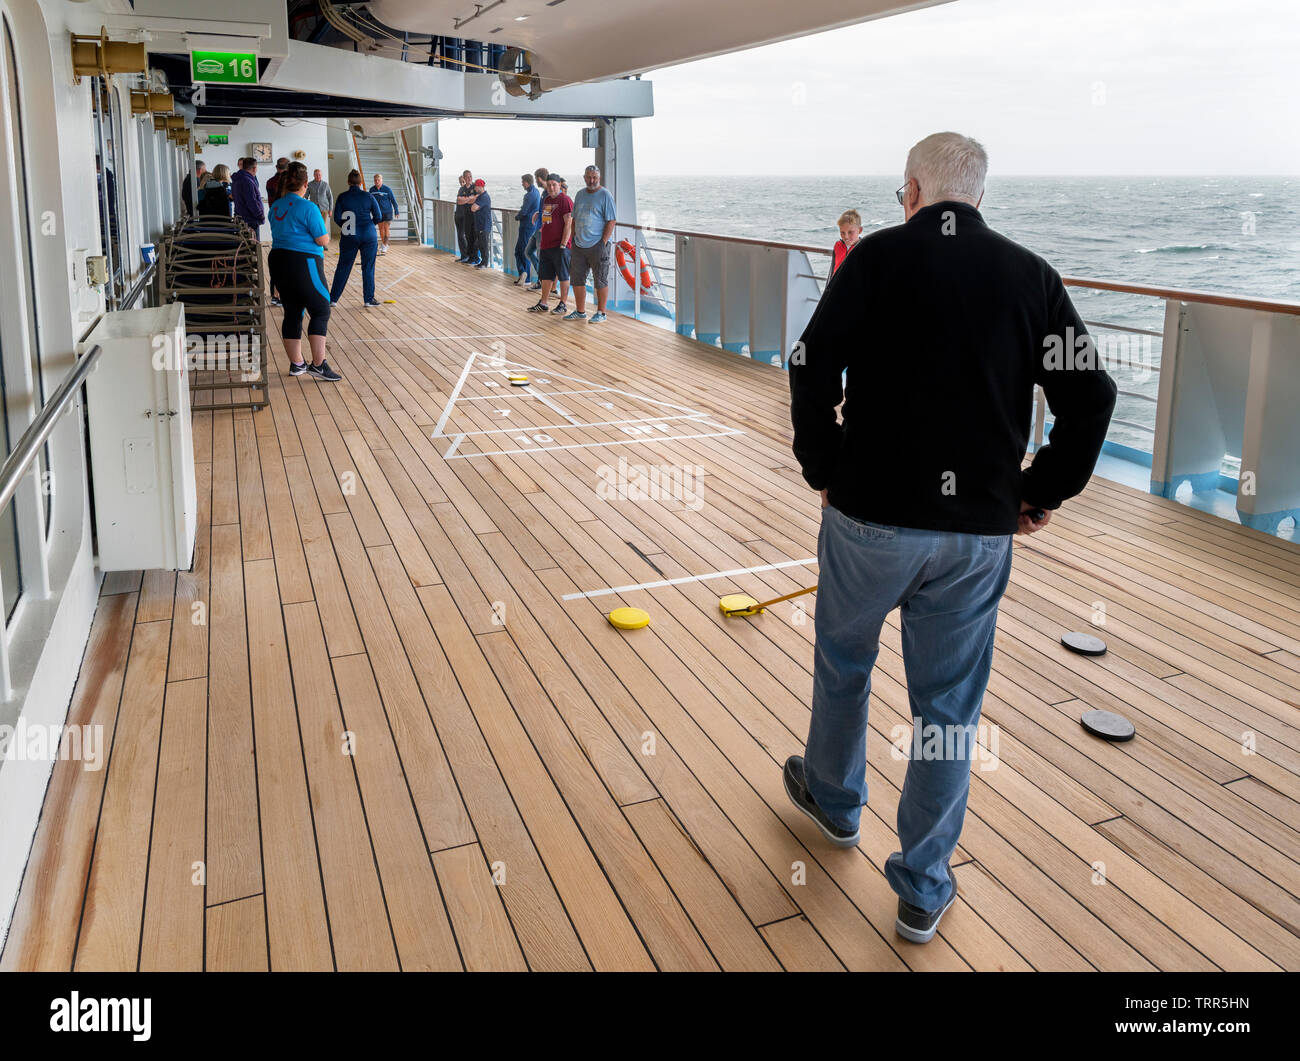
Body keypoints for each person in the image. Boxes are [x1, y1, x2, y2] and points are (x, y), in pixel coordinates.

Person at [786, 131, 1116, 945]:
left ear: (912, 191)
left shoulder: (871, 260)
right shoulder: (1032, 276)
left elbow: (809, 360)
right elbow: (1093, 395)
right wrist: (1038, 492)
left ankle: (832, 800)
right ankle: (923, 885)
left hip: (867, 519)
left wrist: (821, 461)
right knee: (947, 711)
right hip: (974, 537)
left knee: (844, 663)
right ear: (979, 196)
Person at [268, 161, 341, 381]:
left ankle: (297, 364)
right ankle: (318, 365)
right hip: (304, 261)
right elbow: (322, 238)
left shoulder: (276, 206)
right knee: (320, 309)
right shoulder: (308, 207)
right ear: (305, 184)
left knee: (293, 311)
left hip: (278, 260)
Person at [564, 165, 617, 323]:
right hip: (579, 245)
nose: (591, 180)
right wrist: (573, 238)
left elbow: (611, 220)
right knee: (577, 279)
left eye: (594, 177)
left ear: (599, 178)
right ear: (584, 177)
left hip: (598, 245)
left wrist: (603, 242)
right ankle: (580, 311)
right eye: (589, 177)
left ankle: (601, 313)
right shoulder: (580, 194)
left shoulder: (605, 195)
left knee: (600, 279)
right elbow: (574, 218)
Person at [330, 169, 382, 309]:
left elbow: (336, 217)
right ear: (360, 182)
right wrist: (369, 225)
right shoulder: (368, 196)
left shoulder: (342, 197)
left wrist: (347, 226)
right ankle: (368, 300)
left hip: (349, 235)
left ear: (348, 182)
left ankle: (333, 299)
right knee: (368, 267)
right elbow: (378, 216)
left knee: (343, 267)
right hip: (368, 235)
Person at [527, 174, 573, 316]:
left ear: (559, 185)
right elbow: (546, 219)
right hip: (546, 244)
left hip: (560, 246)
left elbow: (568, 223)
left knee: (563, 275)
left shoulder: (565, 200)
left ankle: (563, 304)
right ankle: (543, 303)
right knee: (546, 275)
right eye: (550, 185)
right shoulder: (547, 199)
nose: (552, 187)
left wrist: (564, 244)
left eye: (554, 184)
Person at [513, 173, 541, 285]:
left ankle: (525, 275)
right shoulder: (537, 193)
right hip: (532, 226)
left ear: (527, 182)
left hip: (526, 226)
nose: (522, 184)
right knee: (524, 250)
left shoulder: (529, 195)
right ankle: (524, 275)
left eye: (523, 182)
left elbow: (524, 211)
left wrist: (517, 216)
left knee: (520, 251)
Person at [524, 166, 549, 289]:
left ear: (539, 178)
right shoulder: (544, 193)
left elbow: (550, 210)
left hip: (542, 230)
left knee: (541, 256)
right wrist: (538, 213)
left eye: (536, 179)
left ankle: (542, 281)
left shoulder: (549, 192)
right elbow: (545, 209)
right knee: (528, 251)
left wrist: (544, 226)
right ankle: (542, 278)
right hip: (537, 229)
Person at [231, 156, 265, 235]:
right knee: (253, 245)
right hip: (250, 219)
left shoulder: (236, 180)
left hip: (240, 216)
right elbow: (251, 201)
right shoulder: (247, 181)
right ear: (254, 168)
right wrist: (260, 215)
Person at [369, 173, 399, 254]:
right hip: (378, 213)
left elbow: (393, 201)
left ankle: (385, 245)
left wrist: (396, 211)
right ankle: (384, 244)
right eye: (375, 180)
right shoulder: (371, 190)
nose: (377, 181)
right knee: (381, 229)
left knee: (386, 229)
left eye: (378, 180)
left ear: (382, 180)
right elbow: (370, 202)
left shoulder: (387, 189)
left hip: (387, 212)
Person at [466, 178, 493, 269]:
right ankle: (482, 262)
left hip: (484, 225)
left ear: (480, 187)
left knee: (483, 245)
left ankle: (485, 263)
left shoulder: (484, 197)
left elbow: (473, 208)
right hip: (480, 225)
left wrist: (473, 202)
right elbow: (473, 206)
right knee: (479, 244)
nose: (474, 189)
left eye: (476, 187)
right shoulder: (480, 196)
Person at [454, 170, 478, 263]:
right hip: (459, 215)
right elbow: (459, 201)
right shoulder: (461, 189)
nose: (469, 178)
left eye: (470, 176)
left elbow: (475, 199)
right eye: (467, 177)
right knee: (462, 236)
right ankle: (465, 256)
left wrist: (465, 199)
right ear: (464, 178)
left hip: (469, 216)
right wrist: (469, 199)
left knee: (471, 237)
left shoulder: (474, 187)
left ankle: (472, 257)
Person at [830, 209, 863, 276]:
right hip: (837, 285)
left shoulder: (863, 248)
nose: (846, 237)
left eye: (850, 232)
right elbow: (832, 271)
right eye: (842, 233)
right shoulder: (838, 245)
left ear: (859, 230)